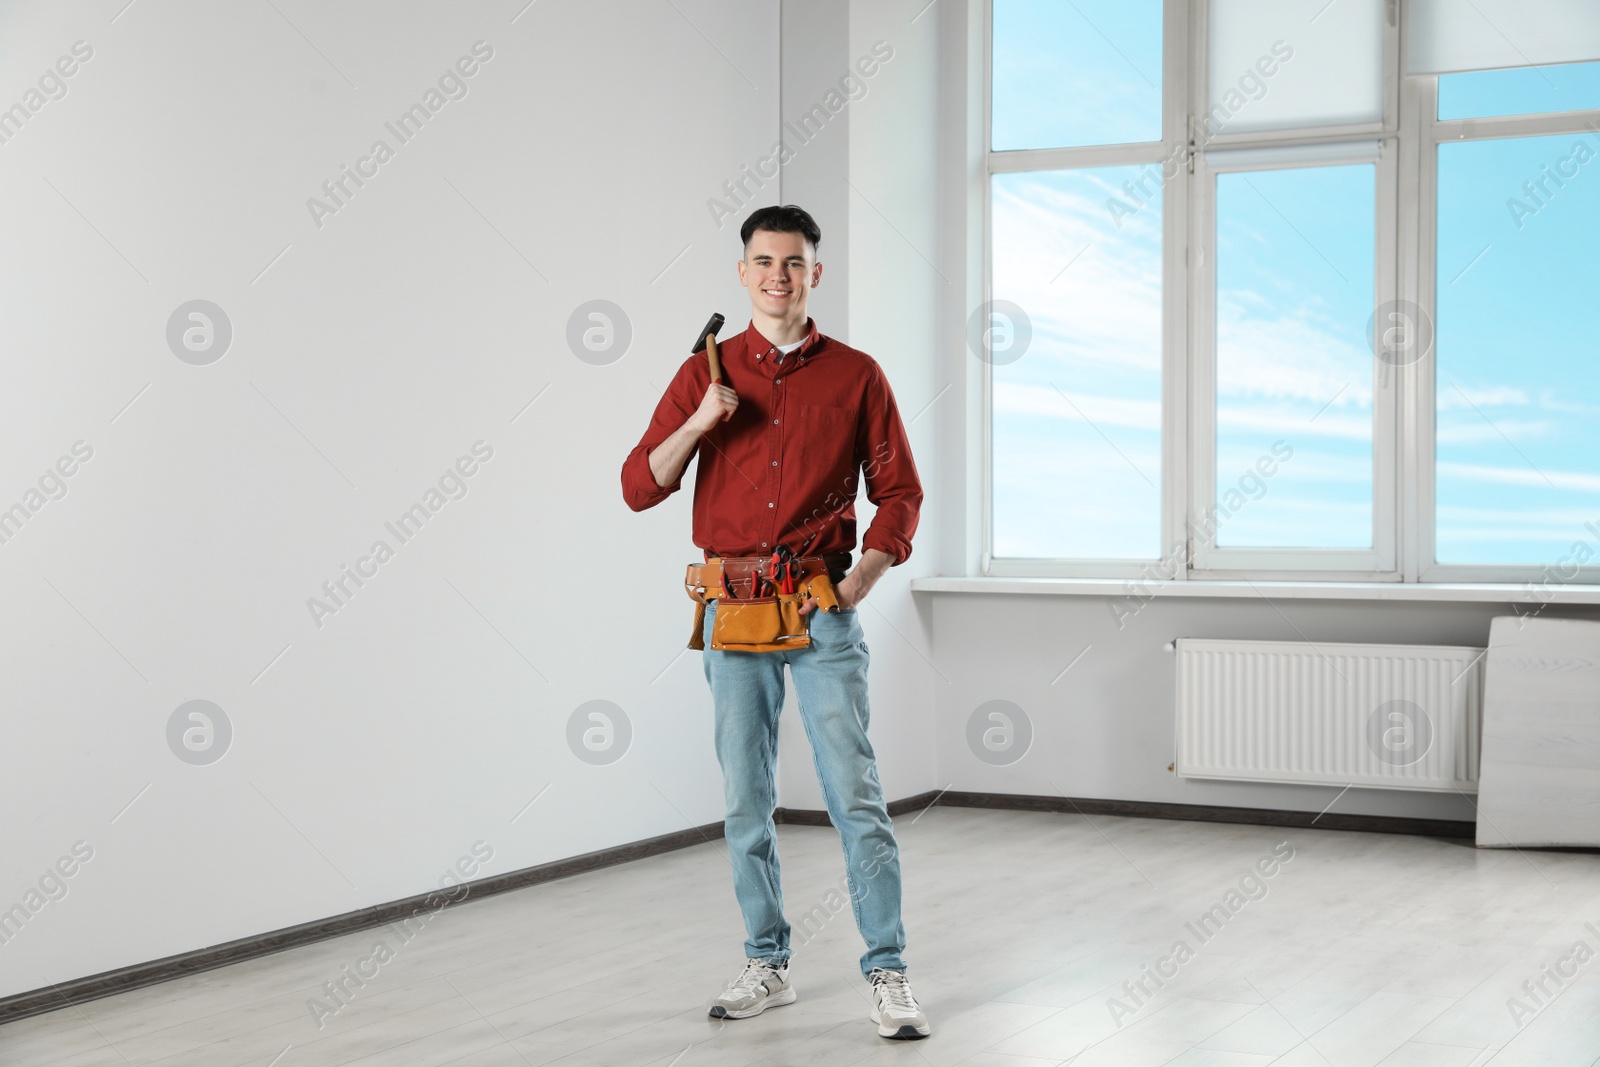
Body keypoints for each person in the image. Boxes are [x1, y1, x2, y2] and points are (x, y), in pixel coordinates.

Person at [620, 204, 929, 1040]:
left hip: (823, 607)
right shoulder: (704, 374)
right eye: (763, 262)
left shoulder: (857, 375)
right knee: (744, 800)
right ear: (743, 272)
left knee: (854, 793)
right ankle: (767, 958)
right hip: (731, 610)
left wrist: (870, 566)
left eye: (793, 263)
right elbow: (639, 484)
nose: (778, 276)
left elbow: (899, 489)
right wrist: (699, 420)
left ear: (815, 273)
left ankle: (889, 970)